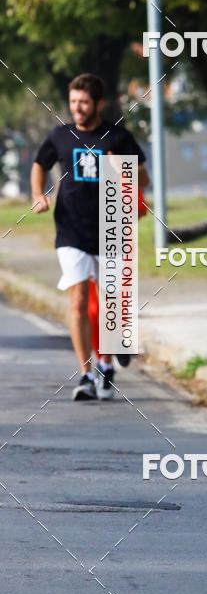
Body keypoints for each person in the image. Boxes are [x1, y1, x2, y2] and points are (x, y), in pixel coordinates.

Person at [30, 73, 149, 401]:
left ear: (99, 103)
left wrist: (123, 168)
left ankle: (106, 365)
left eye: (83, 102)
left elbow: (144, 177)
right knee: (79, 300)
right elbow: (40, 164)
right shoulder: (60, 136)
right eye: (73, 103)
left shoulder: (118, 136)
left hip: (112, 227)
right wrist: (38, 194)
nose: (77, 109)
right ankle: (85, 374)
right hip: (71, 229)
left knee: (112, 303)